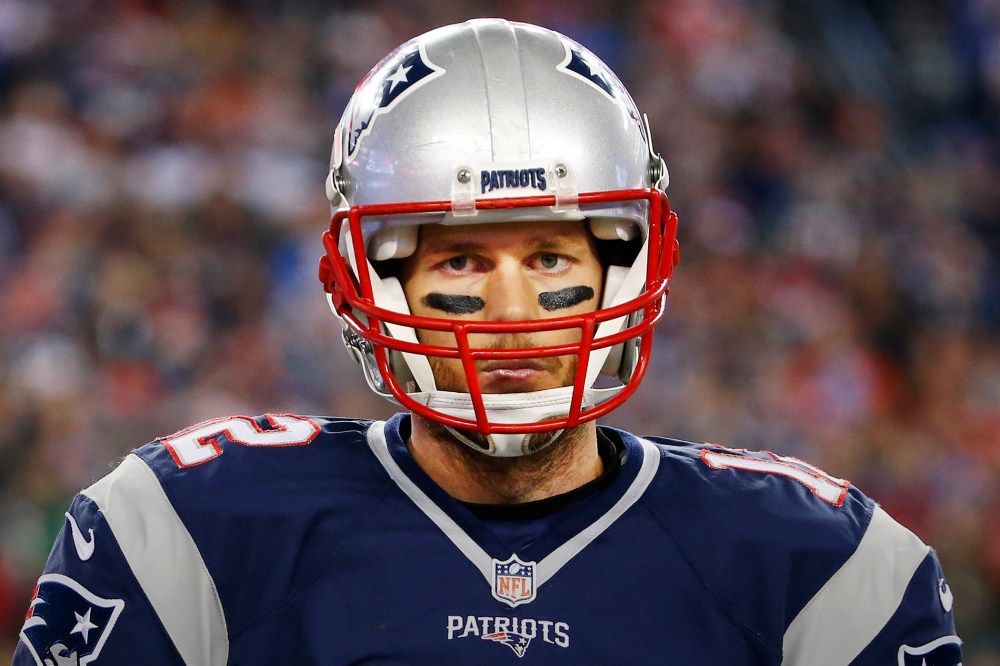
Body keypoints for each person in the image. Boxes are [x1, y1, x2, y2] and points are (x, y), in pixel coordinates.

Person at [14, 19, 961, 665]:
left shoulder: (821, 564)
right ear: (371, 276)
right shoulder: (186, 529)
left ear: (630, 263)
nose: (513, 306)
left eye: (552, 254)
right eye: (461, 260)